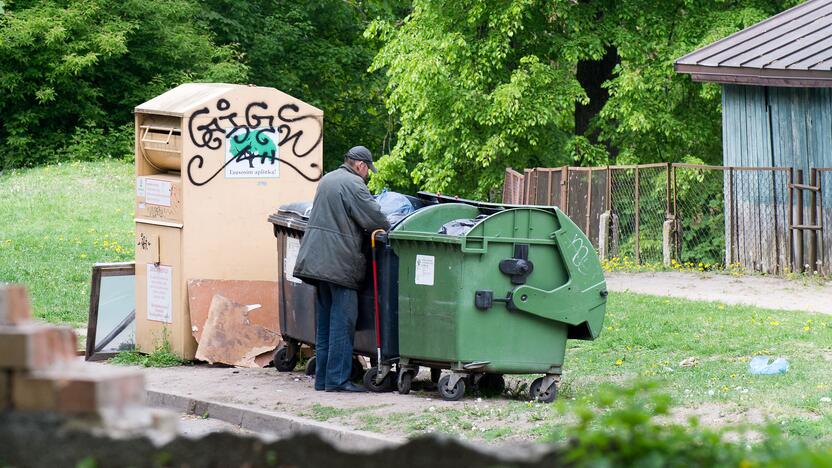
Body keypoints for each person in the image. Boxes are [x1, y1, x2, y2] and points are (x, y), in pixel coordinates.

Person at [293, 146, 391, 392]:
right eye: (368, 169)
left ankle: (323, 379)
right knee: (342, 322)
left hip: (316, 261)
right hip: (339, 264)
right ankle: (337, 381)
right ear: (360, 165)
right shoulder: (354, 184)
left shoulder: (327, 179)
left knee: (325, 322)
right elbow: (376, 220)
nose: (367, 175)